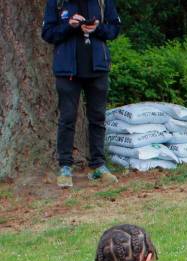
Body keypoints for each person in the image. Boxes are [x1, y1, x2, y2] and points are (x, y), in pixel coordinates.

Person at [42, 0, 121, 189]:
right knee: (67, 119)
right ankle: (65, 167)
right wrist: (68, 26)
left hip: (98, 69)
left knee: (98, 119)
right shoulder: (58, 2)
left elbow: (115, 29)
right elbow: (47, 33)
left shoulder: (103, 2)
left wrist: (97, 28)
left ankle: (98, 166)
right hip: (67, 70)